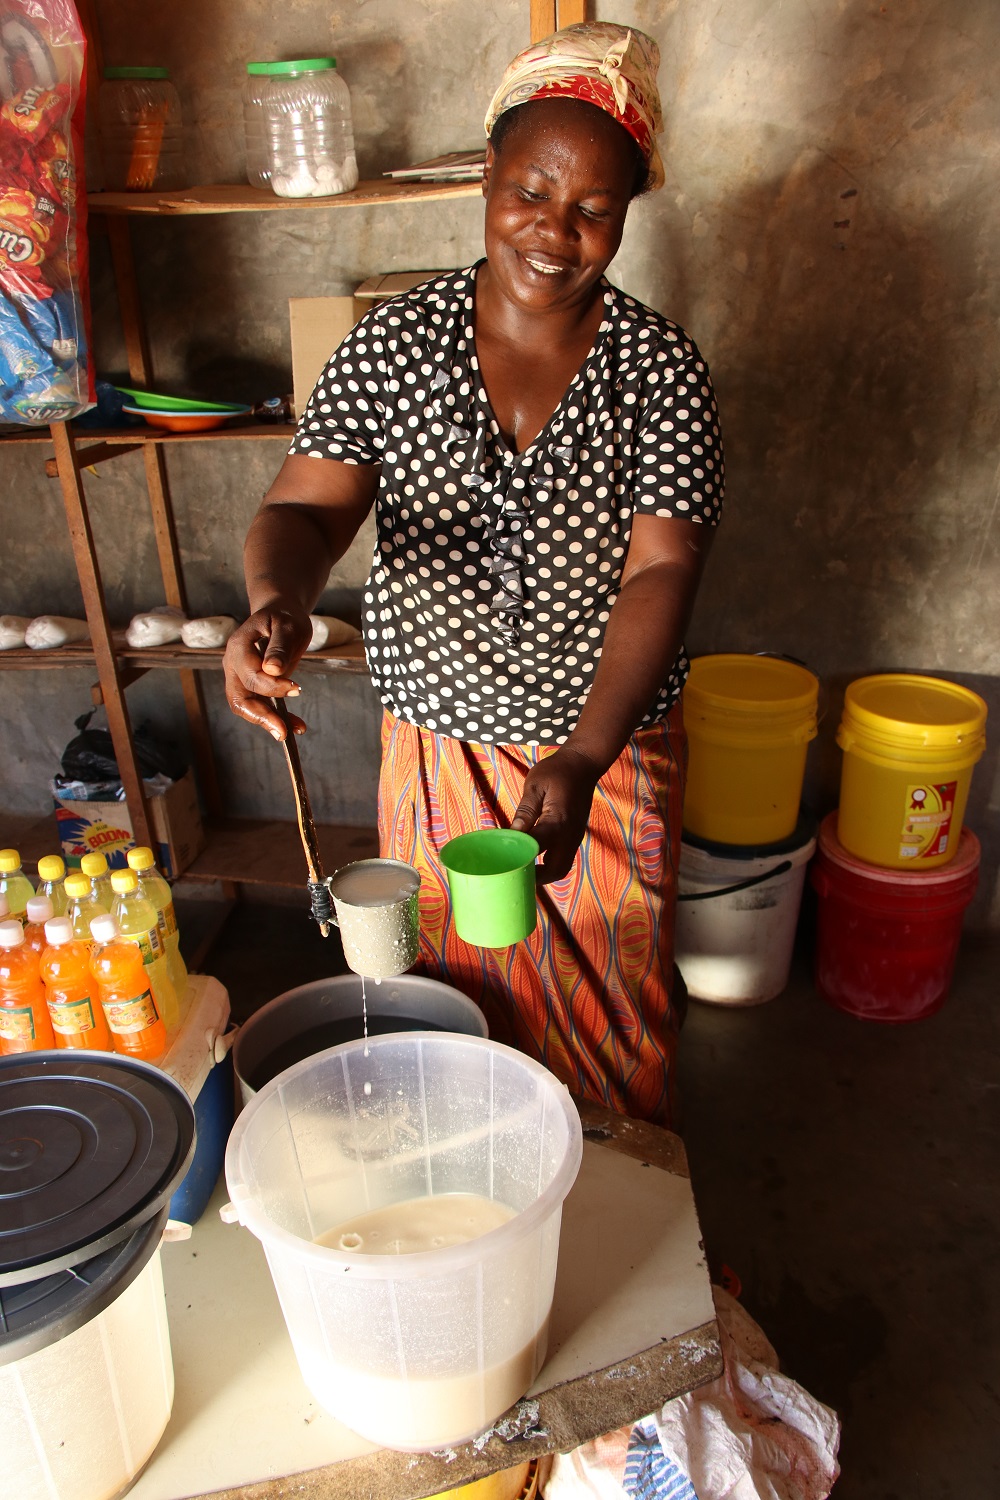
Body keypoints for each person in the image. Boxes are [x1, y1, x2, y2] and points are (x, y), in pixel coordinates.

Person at [224, 22, 724, 1127]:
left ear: (629, 213)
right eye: (531, 190)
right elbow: (308, 506)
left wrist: (584, 754)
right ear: (487, 180)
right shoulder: (395, 345)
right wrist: (278, 603)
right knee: (452, 988)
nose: (555, 230)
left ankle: (615, 1209)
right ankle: (479, 1204)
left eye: (595, 207)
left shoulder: (659, 370)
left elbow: (661, 571)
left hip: (602, 747)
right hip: (436, 743)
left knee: (611, 990)